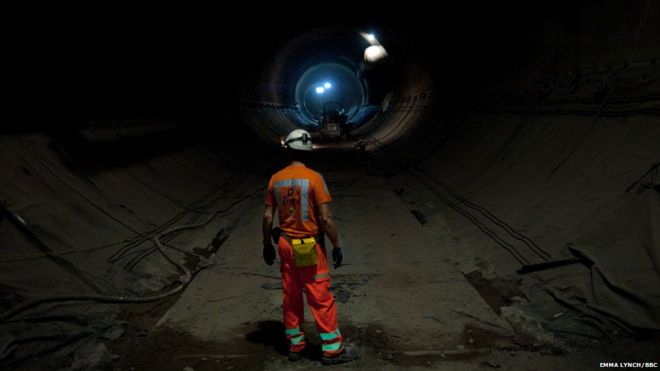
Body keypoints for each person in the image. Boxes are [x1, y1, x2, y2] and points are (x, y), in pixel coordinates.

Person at [261, 129, 359, 365]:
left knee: (291, 294)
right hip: (307, 247)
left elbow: (267, 217)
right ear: (309, 152)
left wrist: (266, 244)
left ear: (288, 151)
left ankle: (295, 346)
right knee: (319, 297)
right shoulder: (314, 178)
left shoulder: (275, 179)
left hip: (284, 244)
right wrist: (336, 245)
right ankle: (332, 350)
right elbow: (325, 220)